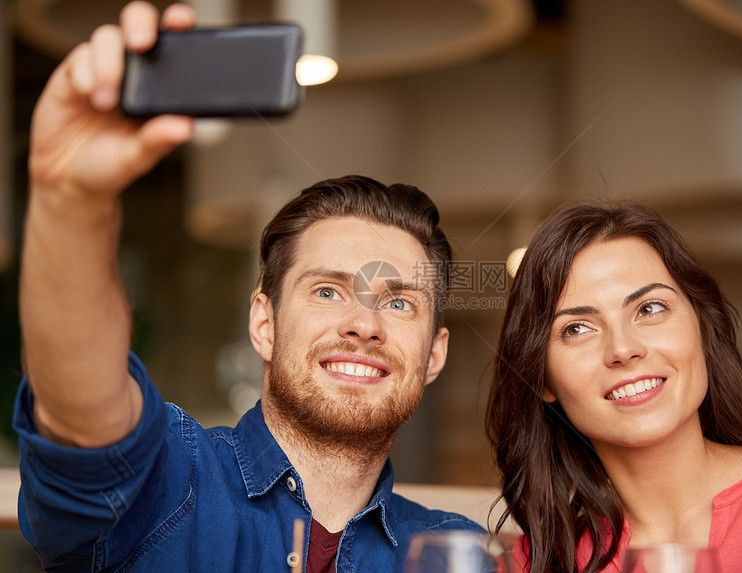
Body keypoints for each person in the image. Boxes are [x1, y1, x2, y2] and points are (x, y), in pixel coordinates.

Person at [13, 2, 482, 571]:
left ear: (434, 354)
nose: (364, 324)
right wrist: (71, 201)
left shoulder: (454, 552)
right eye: (327, 291)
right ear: (264, 323)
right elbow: (81, 413)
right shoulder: (167, 479)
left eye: (400, 302)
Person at [486, 203, 742, 572]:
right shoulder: (534, 564)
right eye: (577, 328)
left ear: (702, 329)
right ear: (542, 378)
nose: (623, 349)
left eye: (649, 309)